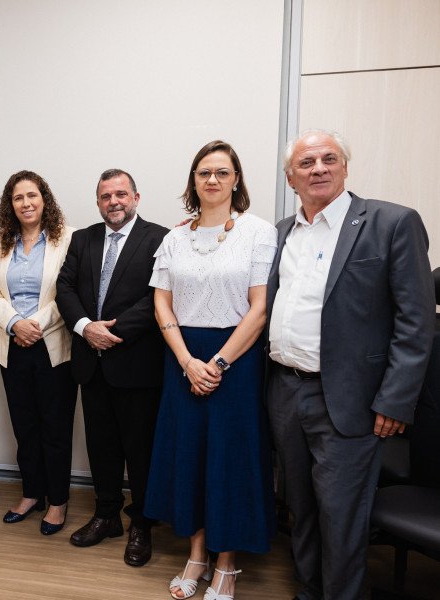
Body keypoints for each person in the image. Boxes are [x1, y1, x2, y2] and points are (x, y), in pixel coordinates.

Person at [267, 129, 434, 600]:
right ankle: (308, 589)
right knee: (298, 507)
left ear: (344, 166)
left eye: (328, 159)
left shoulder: (391, 223)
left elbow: (415, 321)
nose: (318, 168)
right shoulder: (282, 232)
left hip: (350, 399)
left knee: (340, 515)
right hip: (284, 391)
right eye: (306, 163)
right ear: (290, 176)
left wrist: (396, 400)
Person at [144, 141, 277, 599]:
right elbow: (162, 299)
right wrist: (186, 360)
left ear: (236, 179)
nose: (213, 180)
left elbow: (259, 310)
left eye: (222, 172)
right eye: (204, 172)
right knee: (191, 456)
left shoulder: (259, 233)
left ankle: (226, 563)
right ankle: (197, 553)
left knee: (230, 459)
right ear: (193, 181)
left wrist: (217, 362)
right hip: (183, 356)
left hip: (234, 360)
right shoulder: (174, 237)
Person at [55, 168, 168, 566]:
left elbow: (159, 296)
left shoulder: (159, 238)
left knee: (140, 451)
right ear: (98, 202)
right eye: (106, 196)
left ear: (136, 197)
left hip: (136, 363)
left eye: (121, 194)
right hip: (92, 363)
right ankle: (106, 516)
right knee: (101, 447)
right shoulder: (82, 239)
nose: (114, 202)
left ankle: (141, 523)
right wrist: (87, 328)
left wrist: (112, 332)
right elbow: (63, 288)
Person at [0, 170, 77, 535]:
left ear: (44, 199)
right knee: (25, 426)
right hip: (13, 346)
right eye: (18, 198)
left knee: (55, 427)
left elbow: (67, 291)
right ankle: (32, 492)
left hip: (52, 346)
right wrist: (14, 324)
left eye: (32, 196)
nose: (26, 203)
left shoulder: (65, 239)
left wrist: (34, 324)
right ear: (11, 205)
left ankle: (58, 500)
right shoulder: (1, 242)